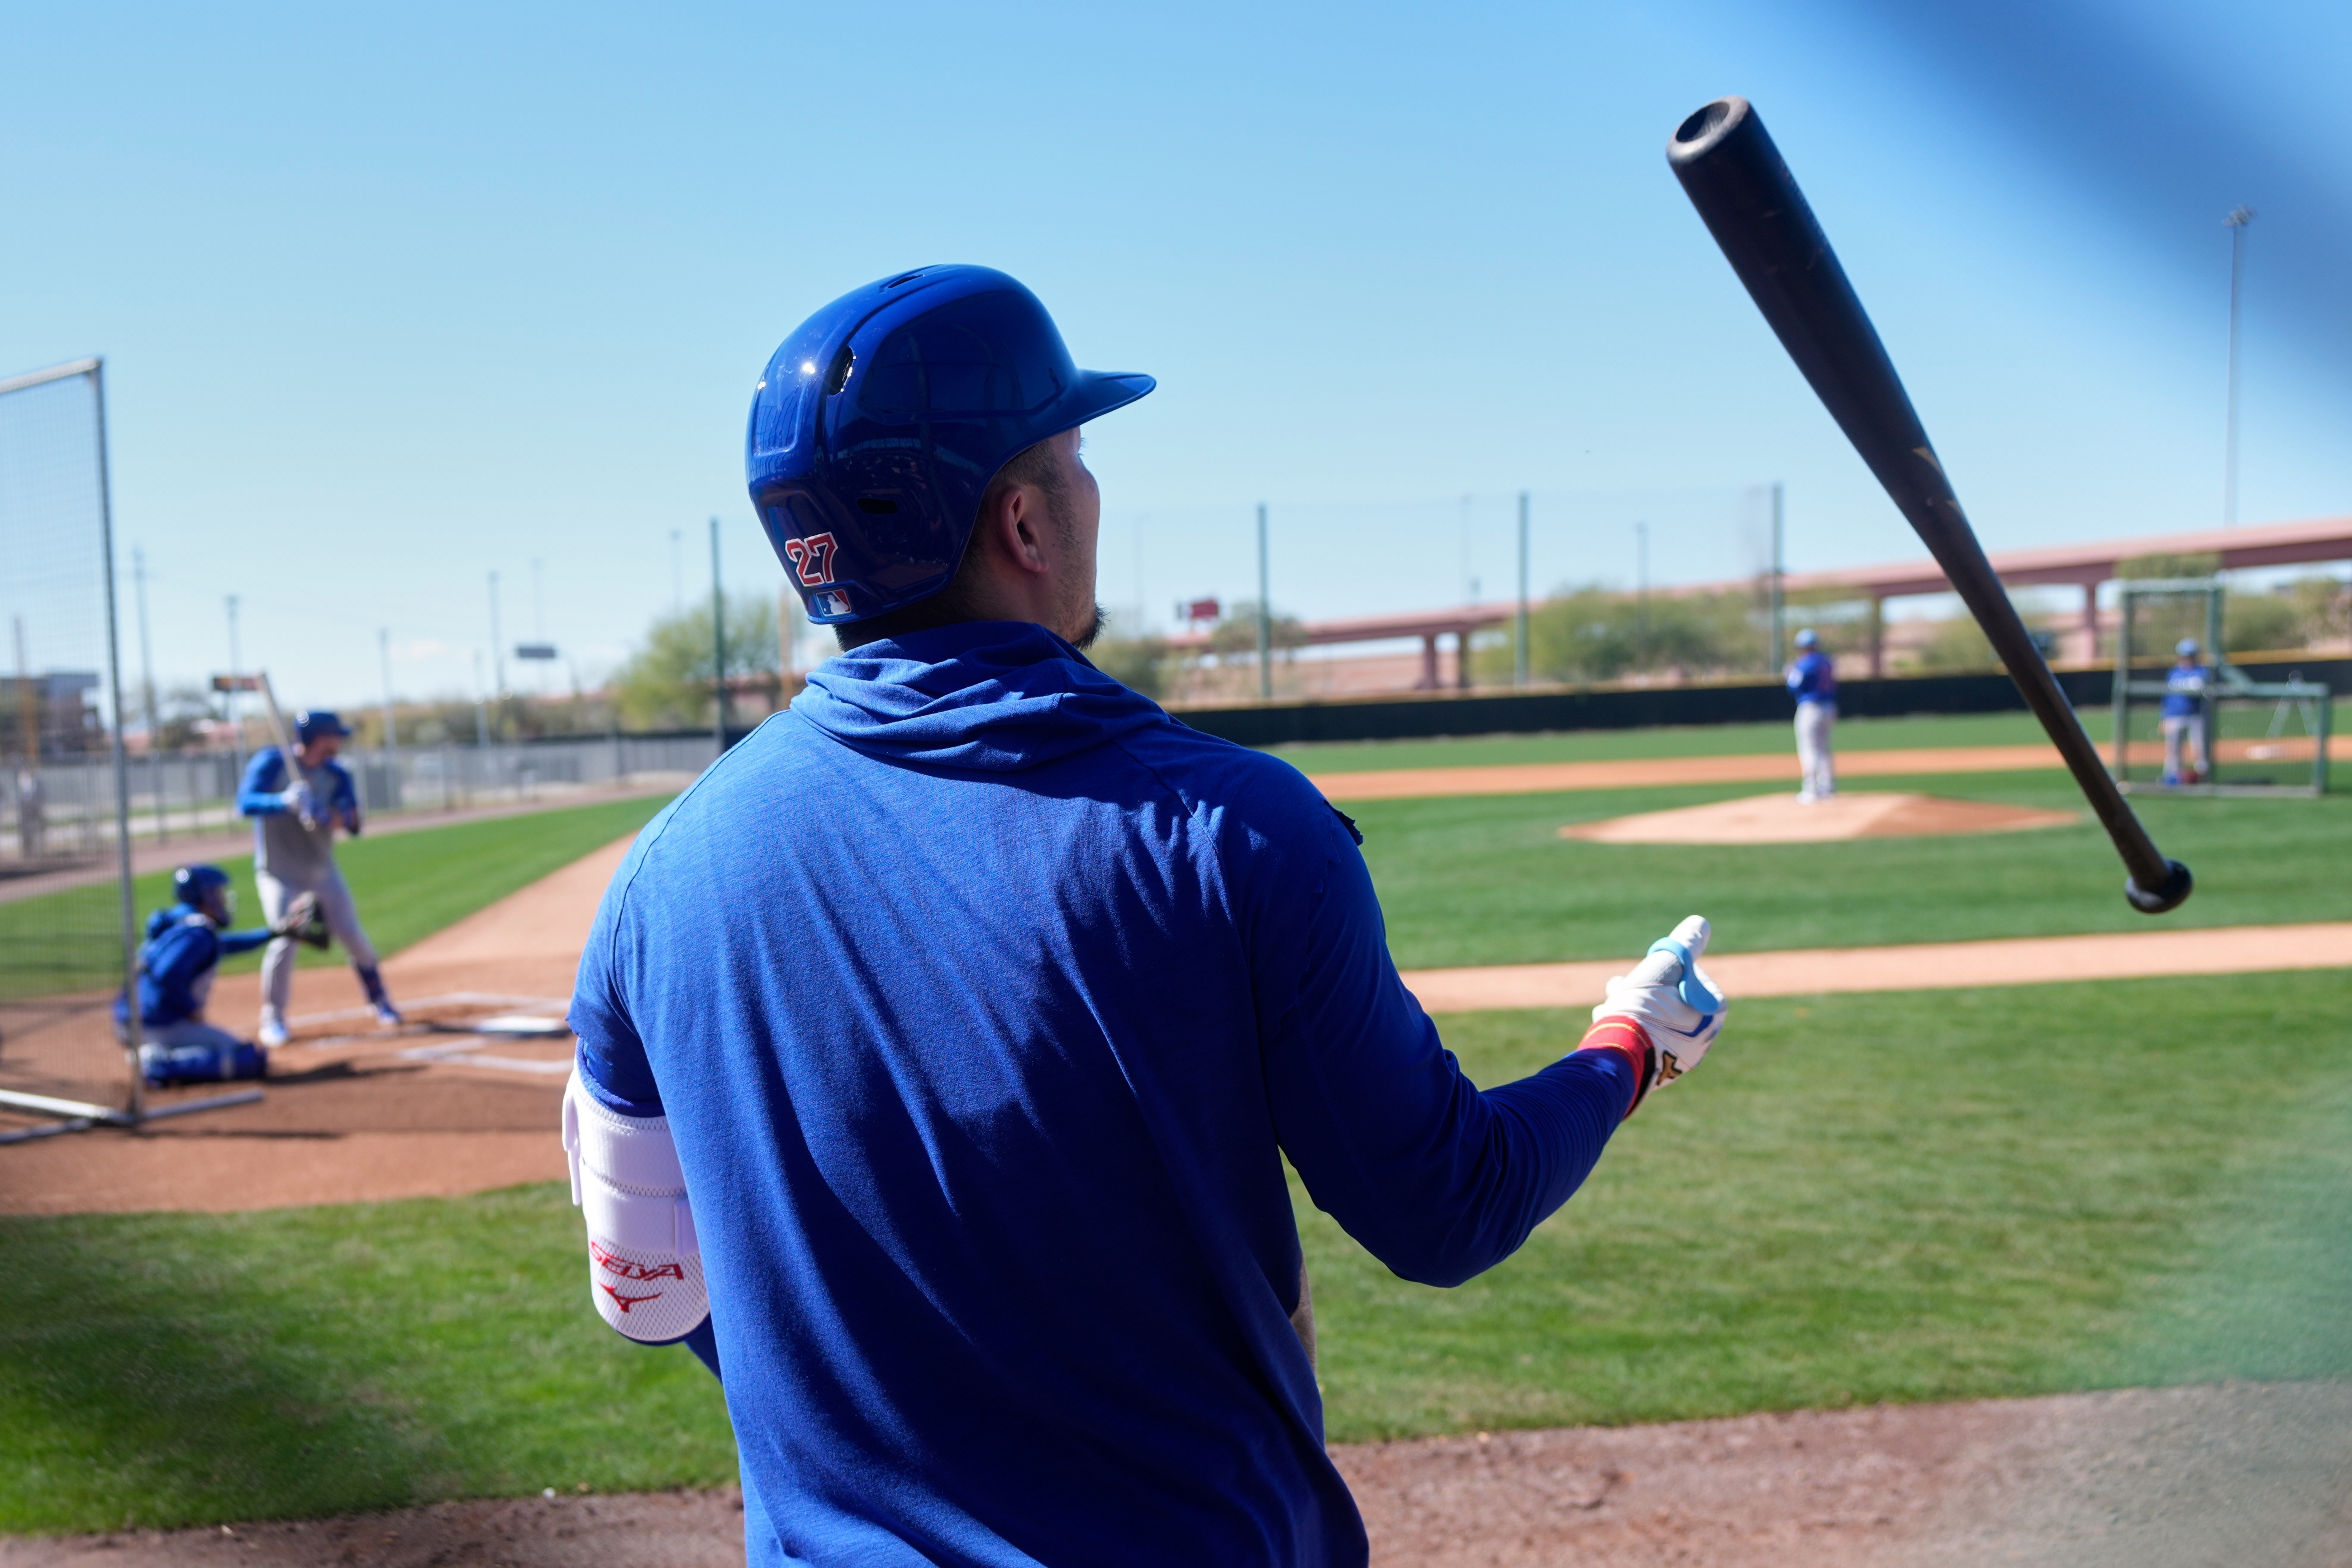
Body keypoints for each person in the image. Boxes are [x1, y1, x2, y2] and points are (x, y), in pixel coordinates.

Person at [562, 265, 1730, 1568]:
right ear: (1021, 522)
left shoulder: (653, 884)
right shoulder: (1230, 830)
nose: (1090, 487)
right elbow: (1445, 1206)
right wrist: (1628, 1050)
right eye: (1072, 452)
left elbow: (648, 1290)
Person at [236, 709, 401, 1045]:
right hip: (280, 873)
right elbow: (245, 804)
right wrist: (282, 802)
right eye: (335, 736)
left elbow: (353, 823)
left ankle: (381, 1001)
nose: (340, 742)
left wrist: (327, 816)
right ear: (320, 739)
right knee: (285, 941)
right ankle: (274, 1018)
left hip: (323, 871)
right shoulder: (273, 763)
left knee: (353, 937)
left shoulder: (336, 774)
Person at [113, 864, 325, 1086]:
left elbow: (223, 945)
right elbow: (167, 975)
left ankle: (154, 1053)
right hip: (157, 1024)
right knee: (249, 1060)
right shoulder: (197, 933)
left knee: (237, 1052)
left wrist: (275, 932)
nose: (223, 899)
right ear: (206, 895)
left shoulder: (178, 923)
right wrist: (189, 1008)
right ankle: (158, 1063)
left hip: (131, 1020)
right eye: (218, 893)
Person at [1786, 626, 1837, 802]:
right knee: (1823, 749)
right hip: (1829, 707)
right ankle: (1827, 788)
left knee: (1809, 749)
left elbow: (1794, 686)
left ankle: (1811, 791)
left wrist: (1789, 674)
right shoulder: (1827, 661)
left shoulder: (1804, 663)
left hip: (1810, 708)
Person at [2161, 637, 2210, 787]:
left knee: (2200, 749)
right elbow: (2167, 697)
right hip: (2174, 717)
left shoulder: (2202, 672)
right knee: (2173, 751)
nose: (2188, 658)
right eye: (2185, 655)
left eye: (2191, 655)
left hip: (2196, 717)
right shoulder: (2174, 673)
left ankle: (2204, 779)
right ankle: (2172, 779)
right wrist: (2163, 718)